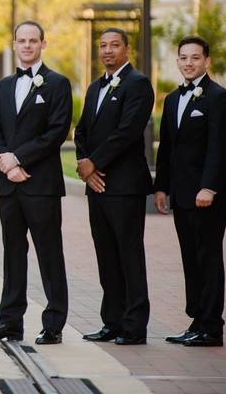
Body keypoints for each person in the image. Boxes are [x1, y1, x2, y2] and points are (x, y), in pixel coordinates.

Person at [0, 21, 71, 345]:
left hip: (41, 184)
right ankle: (10, 323)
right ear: (14, 44)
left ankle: (54, 324)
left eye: (33, 41)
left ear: (43, 44)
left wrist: (19, 159)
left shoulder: (58, 84)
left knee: (49, 254)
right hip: (9, 184)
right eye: (22, 40)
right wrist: (5, 162)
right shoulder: (3, 85)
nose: (27, 45)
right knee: (12, 254)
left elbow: (56, 131)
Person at [74, 28, 154, 346]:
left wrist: (95, 163)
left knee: (129, 256)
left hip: (124, 186)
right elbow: (81, 131)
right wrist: (85, 166)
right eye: (103, 46)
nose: (108, 51)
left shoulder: (138, 85)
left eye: (114, 46)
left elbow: (128, 132)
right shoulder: (95, 87)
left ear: (127, 49)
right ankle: (112, 322)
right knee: (106, 256)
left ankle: (134, 326)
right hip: (97, 186)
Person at [155, 36, 226, 348]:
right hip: (181, 196)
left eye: (195, 58)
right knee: (190, 259)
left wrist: (209, 186)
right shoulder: (172, 100)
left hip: (207, 196)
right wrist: (161, 186)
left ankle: (212, 327)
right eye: (184, 58)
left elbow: (220, 147)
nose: (189, 63)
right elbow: (167, 148)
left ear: (207, 61)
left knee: (209, 259)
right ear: (177, 61)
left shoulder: (219, 98)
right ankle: (196, 321)